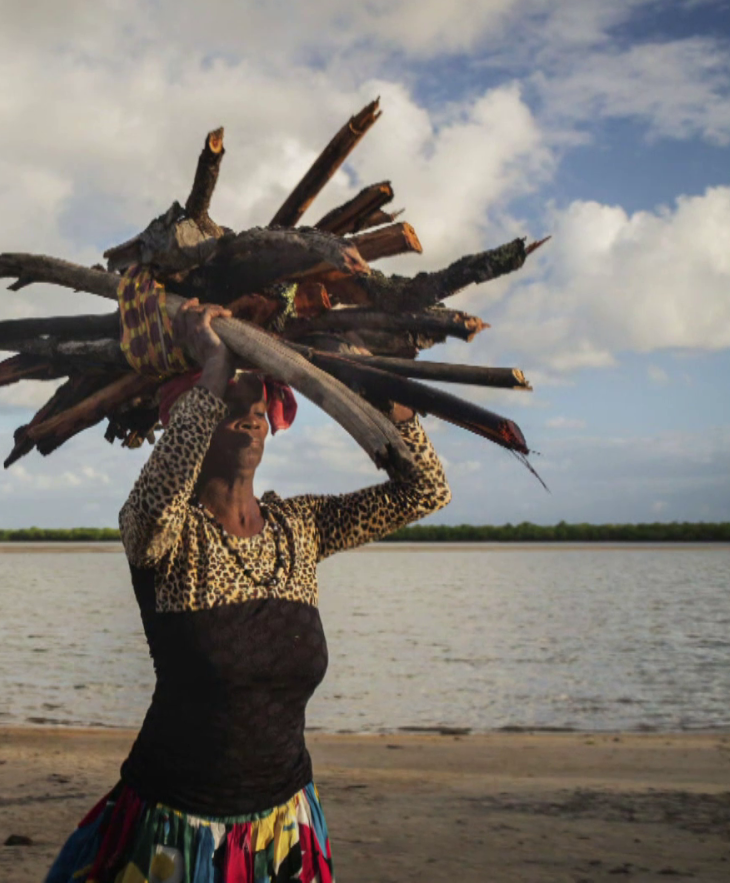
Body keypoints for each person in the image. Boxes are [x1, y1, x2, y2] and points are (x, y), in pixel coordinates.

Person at [44, 299, 451, 883]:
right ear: (188, 419)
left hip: (284, 830)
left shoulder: (300, 529)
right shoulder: (163, 535)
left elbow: (424, 491)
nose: (250, 419)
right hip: (176, 832)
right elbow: (156, 501)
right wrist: (214, 363)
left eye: (259, 409)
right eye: (228, 407)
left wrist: (378, 393)